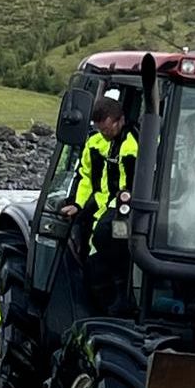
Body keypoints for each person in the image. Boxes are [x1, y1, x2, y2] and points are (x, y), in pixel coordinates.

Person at [60, 94, 139, 314]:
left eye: (107, 129)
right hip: (100, 205)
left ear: (120, 120)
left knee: (105, 243)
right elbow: (85, 176)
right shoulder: (96, 142)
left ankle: (117, 304)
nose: (104, 134)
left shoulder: (135, 144)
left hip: (122, 209)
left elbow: (130, 187)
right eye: (100, 129)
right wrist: (76, 203)